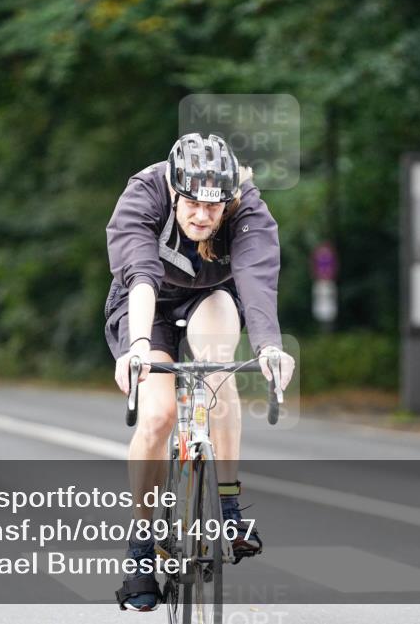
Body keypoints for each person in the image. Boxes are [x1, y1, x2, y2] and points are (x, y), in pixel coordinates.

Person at [105, 133, 295, 611]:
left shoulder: (247, 207)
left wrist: (270, 347)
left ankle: (227, 507)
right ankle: (141, 547)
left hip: (209, 297)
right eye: (192, 203)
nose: (203, 216)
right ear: (174, 191)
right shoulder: (145, 192)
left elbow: (256, 280)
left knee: (217, 368)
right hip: (147, 305)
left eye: (214, 206)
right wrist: (139, 348)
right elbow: (141, 276)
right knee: (158, 415)